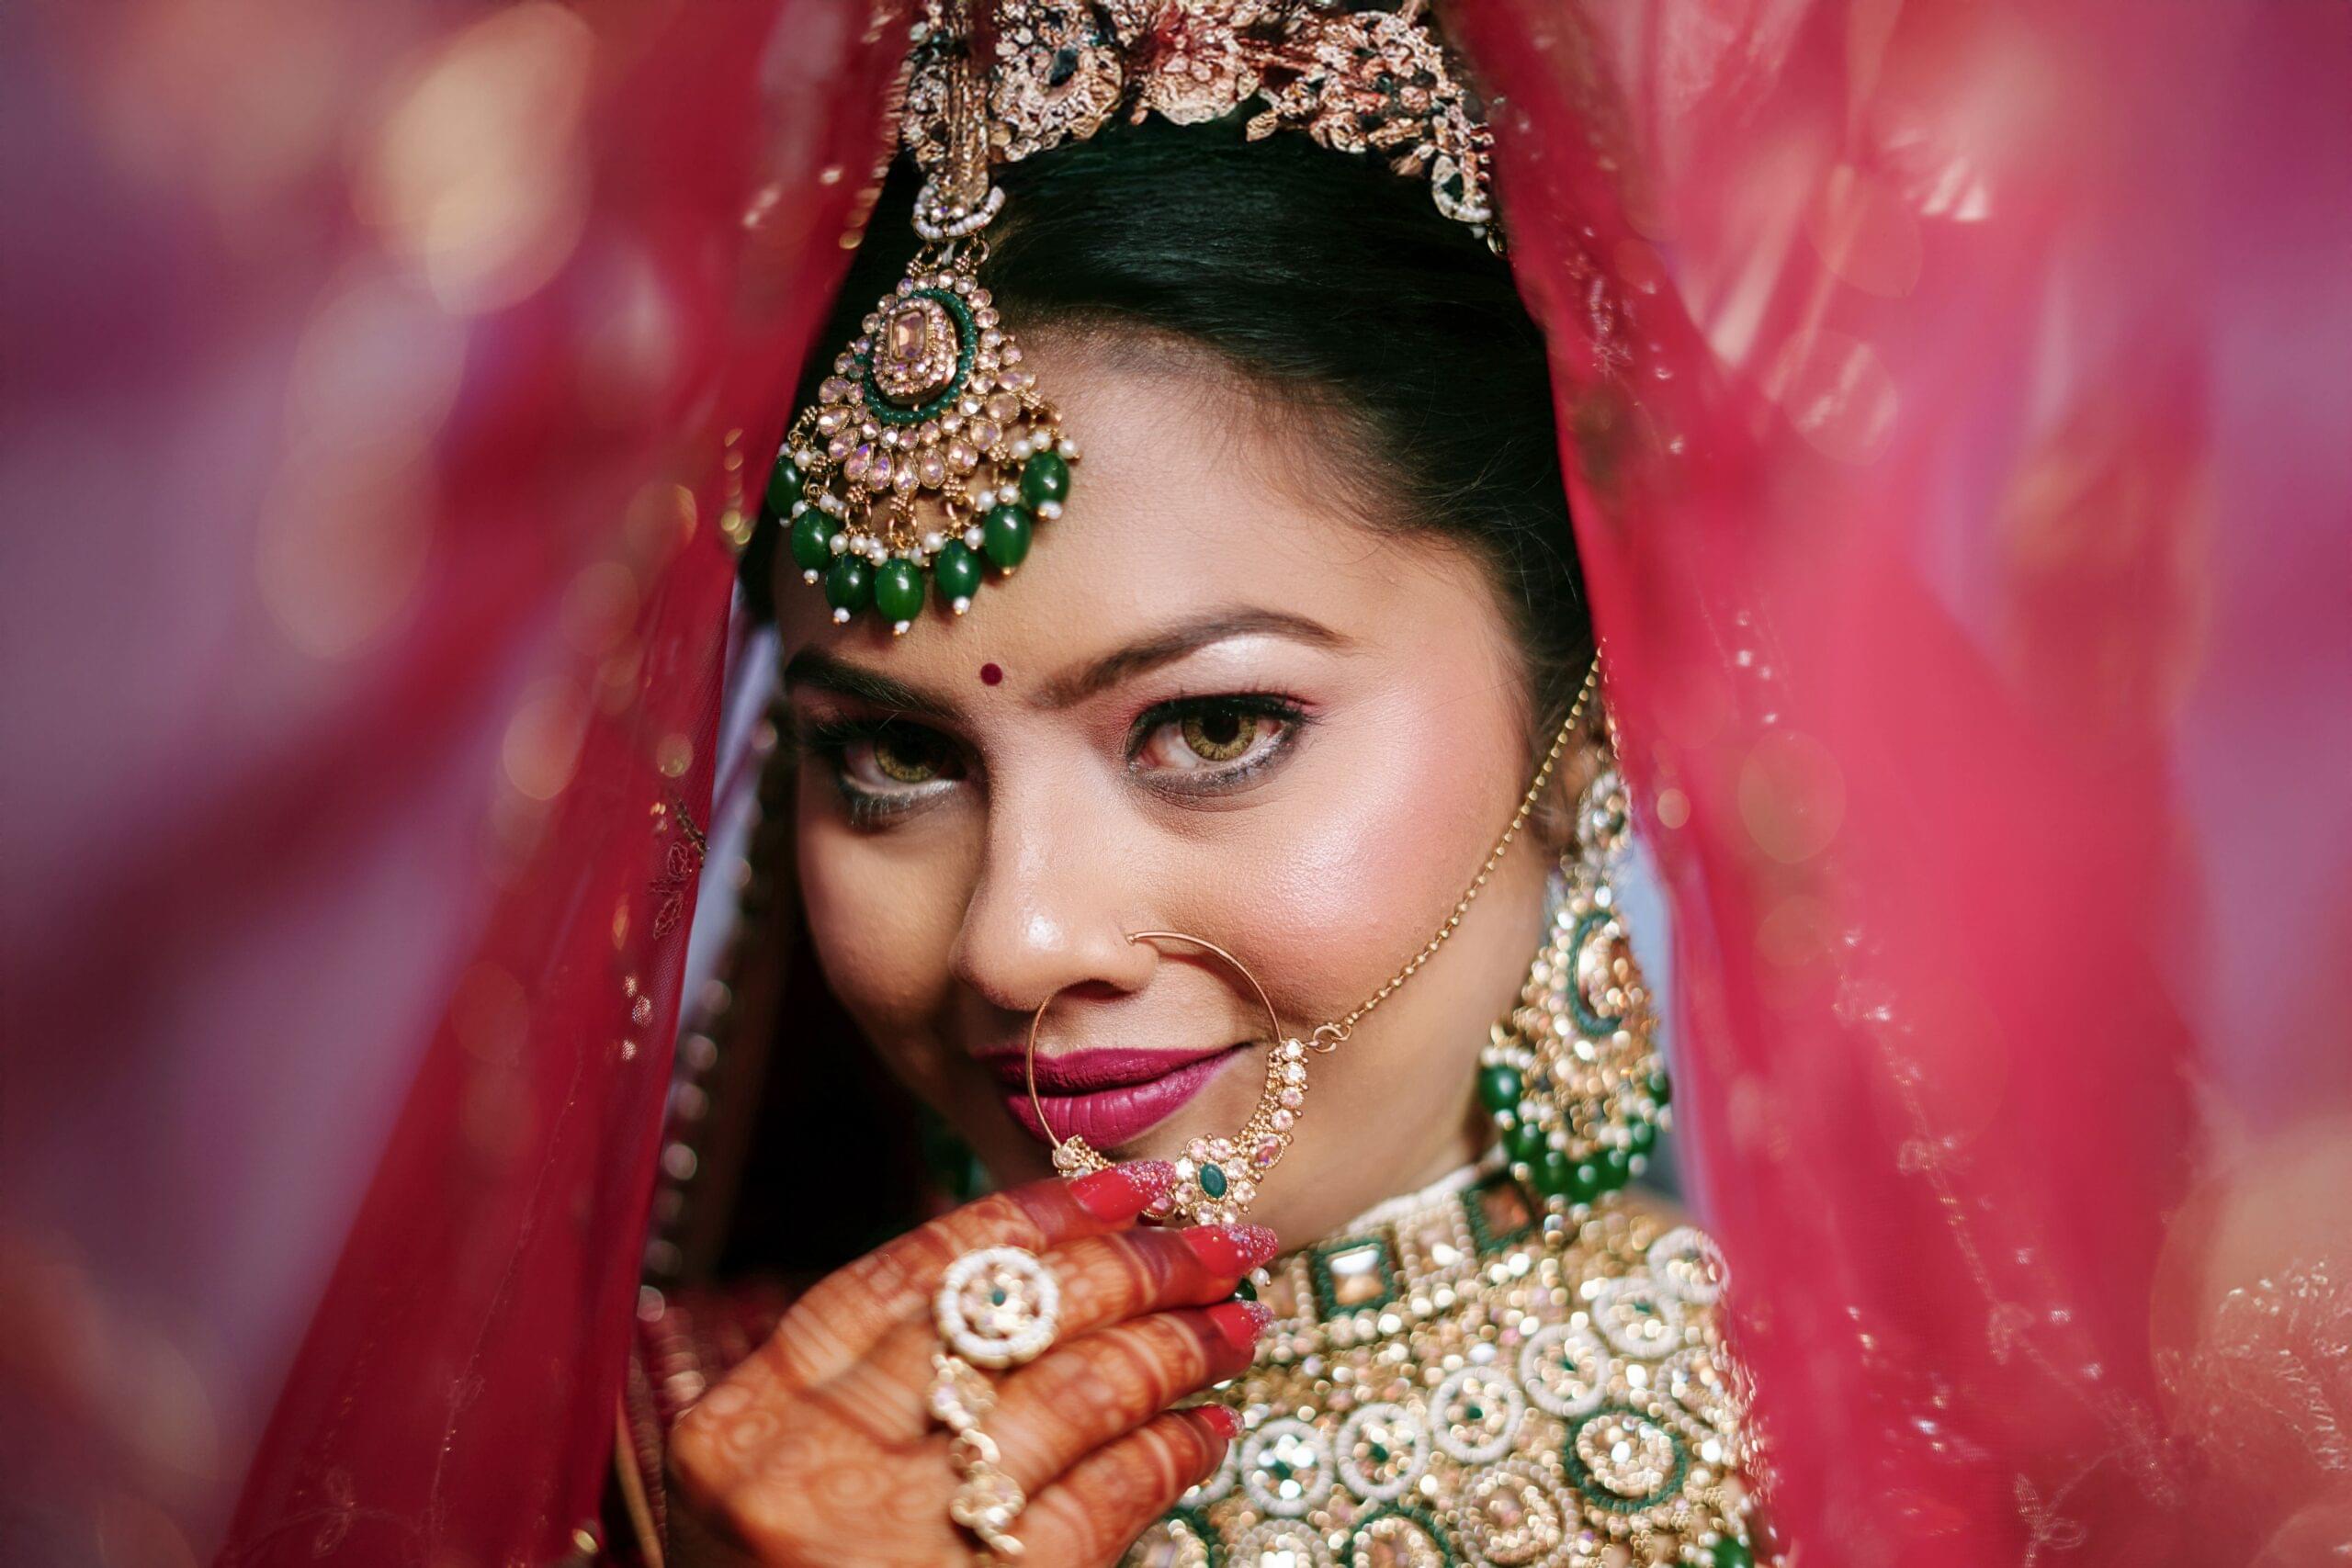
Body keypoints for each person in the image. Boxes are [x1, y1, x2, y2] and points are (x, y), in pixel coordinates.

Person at [624, 6, 1759, 1564]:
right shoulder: (643, 1471)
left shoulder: (1883, 1498)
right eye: (895, 756)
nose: (1012, 943)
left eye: (1215, 729)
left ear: (1581, 728)